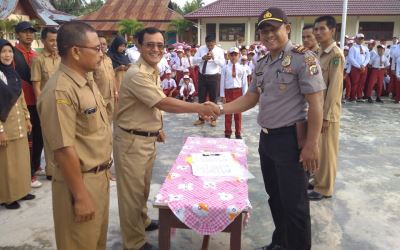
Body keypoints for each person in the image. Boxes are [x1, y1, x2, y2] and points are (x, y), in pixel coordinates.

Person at [207, 7, 325, 250]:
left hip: (292, 141)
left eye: (274, 29)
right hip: (267, 140)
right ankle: (280, 243)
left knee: (296, 205)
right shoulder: (262, 63)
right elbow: (251, 98)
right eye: (264, 31)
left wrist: (312, 144)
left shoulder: (304, 58)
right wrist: (219, 109)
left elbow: (316, 105)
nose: (268, 35)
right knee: (277, 198)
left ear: (287, 29)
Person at [113, 27, 217, 250]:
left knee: (142, 188)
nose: (156, 49)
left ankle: (143, 221)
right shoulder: (137, 74)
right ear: (138, 45)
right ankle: (134, 242)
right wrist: (200, 107)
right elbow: (163, 103)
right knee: (131, 193)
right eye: (150, 44)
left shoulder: (151, 70)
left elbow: (148, 105)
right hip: (132, 141)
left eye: (160, 45)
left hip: (145, 138)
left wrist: (157, 127)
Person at [37, 21, 113, 250]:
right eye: (96, 49)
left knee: (96, 242)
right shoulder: (60, 89)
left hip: (99, 178)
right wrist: (80, 196)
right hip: (79, 182)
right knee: (79, 244)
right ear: (76, 52)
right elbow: (63, 148)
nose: (101, 53)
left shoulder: (86, 81)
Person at [308, 15, 344, 201]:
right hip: (319, 110)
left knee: (327, 151)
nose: (318, 32)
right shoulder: (321, 53)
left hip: (328, 112)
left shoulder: (335, 55)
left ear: (332, 31)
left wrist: (327, 116)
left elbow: (334, 89)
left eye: (322, 29)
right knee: (319, 148)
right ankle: (317, 180)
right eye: (316, 29)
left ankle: (325, 188)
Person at [0, 39, 35, 210]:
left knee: (21, 160)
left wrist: (27, 118)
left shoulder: (13, 74)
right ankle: (8, 197)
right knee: (7, 164)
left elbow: (21, 98)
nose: (7, 55)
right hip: (5, 127)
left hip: (19, 123)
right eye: (3, 52)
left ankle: (22, 190)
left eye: (9, 51)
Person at [13, 21, 42, 188]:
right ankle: (28, 173)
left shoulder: (35, 54)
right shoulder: (13, 54)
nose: (29, 35)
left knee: (39, 136)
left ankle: (36, 166)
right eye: (25, 32)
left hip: (37, 100)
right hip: (23, 102)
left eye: (31, 32)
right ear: (18, 34)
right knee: (27, 139)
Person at [30, 27, 61, 180]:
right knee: (49, 139)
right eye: (51, 40)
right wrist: (41, 106)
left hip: (63, 104)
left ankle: (63, 167)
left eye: (56, 40)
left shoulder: (62, 57)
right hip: (48, 105)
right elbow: (36, 85)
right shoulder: (38, 59)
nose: (55, 43)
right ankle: (51, 170)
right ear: (43, 41)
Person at [193, 35, 225, 127]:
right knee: (201, 99)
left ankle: (213, 119)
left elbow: (223, 64)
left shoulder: (219, 51)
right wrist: (202, 58)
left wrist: (215, 58)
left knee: (213, 99)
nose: (210, 47)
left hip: (214, 77)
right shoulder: (201, 49)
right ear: (205, 43)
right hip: (202, 76)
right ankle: (201, 118)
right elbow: (194, 60)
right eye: (208, 45)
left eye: (212, 45)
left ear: (215, 42)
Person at [220, 47, 248, 139]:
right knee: (228, 113)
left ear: (239, 56)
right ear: (229, 56)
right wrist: (222, 95)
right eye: (231, 55)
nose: (233, 57)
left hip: (238, 92)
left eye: (235, 55)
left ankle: (238, 132)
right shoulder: (225, 68)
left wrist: (245, 96)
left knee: (238, 114)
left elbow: (244, 83)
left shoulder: (242, 68)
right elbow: (222, 82)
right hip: (228, 91)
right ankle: (227, 132)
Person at [93, 35, 118, 123]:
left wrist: (115, 91)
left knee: (109, 120)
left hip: (111, 96)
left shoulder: (108, 60)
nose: (102, 46)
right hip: (100, 96)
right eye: (100, 44)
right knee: (100, 121)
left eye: (104, 44)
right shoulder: (92, 60)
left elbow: (112, 76)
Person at [348, 33, 370, 102]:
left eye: (362, 39)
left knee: (362, 82)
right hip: (356, 68)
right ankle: (352, 97)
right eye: (359, 38)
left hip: (364, 67)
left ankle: (359, 96)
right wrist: (358, 66)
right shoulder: (352, 48)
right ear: (356, 39)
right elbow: (351, 58)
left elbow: (368, 58)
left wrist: (363, 65)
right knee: (355, 82)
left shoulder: (365, 48)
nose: (360, 40)